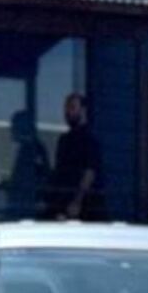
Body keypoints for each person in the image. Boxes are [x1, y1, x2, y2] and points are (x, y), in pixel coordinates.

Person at [47, 91, 104, 221]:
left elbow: (90, 172)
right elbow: (59, 172)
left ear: (83, 110)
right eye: (66, 109)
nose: (67, 112)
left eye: (72, 107)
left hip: (86, 209)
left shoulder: (90, 139)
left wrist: (77, 201)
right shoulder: (64, 140)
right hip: (62, 204)